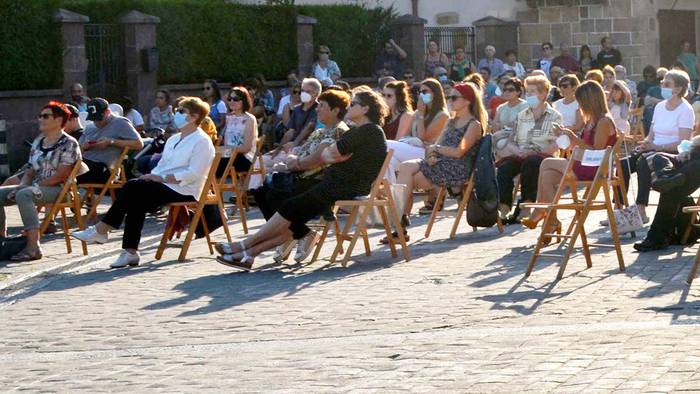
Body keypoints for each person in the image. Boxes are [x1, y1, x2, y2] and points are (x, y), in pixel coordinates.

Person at [214, 87, 389, 271]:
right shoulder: (361, 131)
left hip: (342, 187)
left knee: (290, 206)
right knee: (292, 214)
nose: (349, 107)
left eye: (353, 104)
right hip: (336, 185)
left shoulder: (368, 131)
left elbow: (328, 155)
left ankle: (244, 246)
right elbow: (327, 155)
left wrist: (333, 154)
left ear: (365, 109)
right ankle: (248, 254)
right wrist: (332, 154)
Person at [72, 97, 215, 268]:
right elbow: (162, 165)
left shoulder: (202, 141)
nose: (176, 114)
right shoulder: (174, 139)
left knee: (132, 188)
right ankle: (129, 252)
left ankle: (103, 230)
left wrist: (160, 178)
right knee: (135, 192)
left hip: (185, 188)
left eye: (181, 112)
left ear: (194, 116)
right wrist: (150, 176)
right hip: (164, 184)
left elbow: (194, 173)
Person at [251, 89, 351, 263]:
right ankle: (292, 234)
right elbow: (302, 152)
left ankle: (302, 234)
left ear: (335, 110)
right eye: (318, 106)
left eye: (322, 106)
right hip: (302, 176)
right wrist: (290, 162)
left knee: (276, 194)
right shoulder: (320, 131)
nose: (317, 109)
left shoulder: (338, 131)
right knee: (261, 193)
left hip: (319, 181)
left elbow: (318, 159)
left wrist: (293, 164)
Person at [521, 81, 618, 237]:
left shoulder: (603, 121)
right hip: (585, 163)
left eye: (581, 103)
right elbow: (584, 147)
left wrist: (573, 138)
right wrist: (567, 137)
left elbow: (597, 152)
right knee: (547, 176)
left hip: (595, 167)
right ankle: (551, 221)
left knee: (546, 162)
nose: (579, 107)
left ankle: (541, 212)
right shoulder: (592, 120)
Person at [391, 82, 484, 240]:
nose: (450, 101)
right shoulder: (451, 121)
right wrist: (432, 156)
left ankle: (398, 223)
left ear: (467, 100)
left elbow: (459, 151)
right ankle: (399, 221)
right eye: (449, 97)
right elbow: (432, 147)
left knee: (406, 178)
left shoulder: (473, 125)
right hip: (440, 164)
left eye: (454, 98)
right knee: (404, 169)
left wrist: (437, 150)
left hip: (457, 168)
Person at [0, 101, 84, 261]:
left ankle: (34, 247)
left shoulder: (69, 143)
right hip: (36, 187)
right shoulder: (39, 141)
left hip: (58, 189)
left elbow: (60, 175)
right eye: (39, 116)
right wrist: (23, 184)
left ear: (59, 120)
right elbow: (30, 170)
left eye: (45, 116)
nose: (40, 119)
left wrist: (27, 188)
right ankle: (2, 243)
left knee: (24, 195)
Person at [623, 69, 695, 222]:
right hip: (653, 148)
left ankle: (640, 209)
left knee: (644, 162)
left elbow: (683, 142)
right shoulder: (660, 106)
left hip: (671, 153)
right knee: (622, 165)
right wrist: (646, 143)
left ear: (679, 88)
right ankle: (621, 210)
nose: (663, 86)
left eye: (667, 84)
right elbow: (652, 134)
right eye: (662, 83)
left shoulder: (685, 110)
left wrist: (656, 147)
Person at [496, 75, 563, 219]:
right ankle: (504, 205)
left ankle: (527, 203)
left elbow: (558, 142)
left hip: (543, 156)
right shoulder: (522, 115)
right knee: (504, 167)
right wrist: (518, 151)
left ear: (543, 93)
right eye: (527, 92)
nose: (529, 95)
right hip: (522, 153)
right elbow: (511, 140)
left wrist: (537, 151)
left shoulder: (554, 116)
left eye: (533, 92)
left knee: (531, 163)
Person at [385, 78, 449, 183]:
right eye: (420, 92)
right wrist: (420, 113)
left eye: (424, 92)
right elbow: (404, 137)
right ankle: (395, 196)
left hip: (429, 153)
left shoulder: (442, 115)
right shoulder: (417, 113)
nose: (421, 95)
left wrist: (421, 115)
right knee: (388, 160)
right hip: (413, 149)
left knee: (385, 144)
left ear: (435, 93)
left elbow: (422, 136)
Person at [77, 98, 143, 184]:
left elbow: (139, 144)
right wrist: (84, 147)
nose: (97, 122)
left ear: (107, 112)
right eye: (94, 119)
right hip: (86, 163)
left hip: (104, 168)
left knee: (70, 170)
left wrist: (111, 142)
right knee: (66, 166)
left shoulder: (120, 122)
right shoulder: (90, 127)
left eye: (99, 118)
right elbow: (78, 149)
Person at [216, 86, 258, 179]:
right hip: (230, 156)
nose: (231, 102)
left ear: (244, 100)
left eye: (235, 99)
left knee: (214, 164)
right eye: (229, 99)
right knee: (209, 160)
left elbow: (246, 148)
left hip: (245, 158)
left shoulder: (249, 119)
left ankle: (210, 189)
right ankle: (213, 190)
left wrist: (228, 150)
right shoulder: (229, 117)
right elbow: (227, 143)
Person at [278, 78, 321, 149]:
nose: (304, 94)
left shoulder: (320, 110)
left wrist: (295, 144)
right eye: (303, 91)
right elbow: (290, 132)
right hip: (292, 146)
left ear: (316, 94)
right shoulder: (297, 109)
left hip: (308, 147)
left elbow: (310, 130)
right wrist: (277, 150)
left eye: (308, 91)